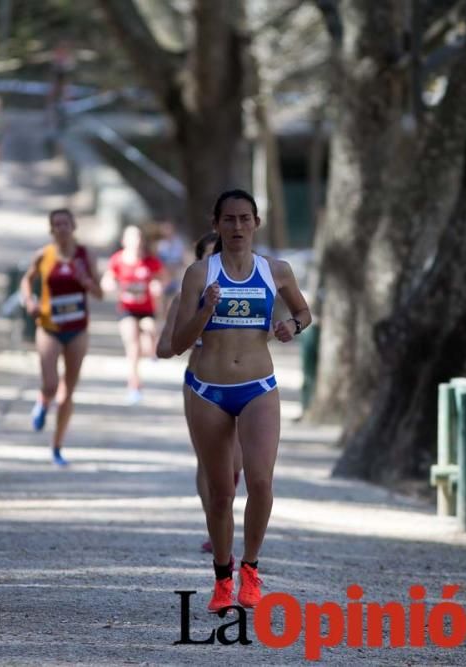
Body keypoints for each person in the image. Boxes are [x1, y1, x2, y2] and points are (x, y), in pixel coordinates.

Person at [172, 189, 311, 613]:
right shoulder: (199, 274)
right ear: (216, 225)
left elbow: (304, 314)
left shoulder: (277, 270)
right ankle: (221, 577)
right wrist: (204, 310)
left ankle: (251, 569)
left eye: (244, 219)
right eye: (228, 220)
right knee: (219, 494)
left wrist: (292, 326)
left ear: (256, 224)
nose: (237, 227)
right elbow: (179, 342)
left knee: (261, 481)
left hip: (258, 387)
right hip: (208, 390)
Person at [156, 232, 242, 554]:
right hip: (199, 383)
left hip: (238, 381)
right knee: (209, 462)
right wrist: (188, 337)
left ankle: (221, 513)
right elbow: (163, 347)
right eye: (206, 259)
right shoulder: (183, 300)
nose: (212, 266)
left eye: (216, 258)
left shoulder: (242, 294)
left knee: (235, 464)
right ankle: (216, 526)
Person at [20, 209, 103, 467]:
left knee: (68, 392)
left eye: (66, 223)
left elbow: (100, 293)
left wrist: (85, 281)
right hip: (49, 326)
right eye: (56, 224)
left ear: (73, 226)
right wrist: (29, 300)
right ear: (51, 229)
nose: (62, 228)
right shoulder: (44, 255)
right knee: (50, 384)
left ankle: (57, 446)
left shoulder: (84, 255)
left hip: (77, 328)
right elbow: (27, 280)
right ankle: (43, 402)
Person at [101, 225, 164, 405]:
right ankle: (134, 386)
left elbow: (163, 278)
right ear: (124, 241)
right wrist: (110, 285)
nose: (135, 242)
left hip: (147, 309)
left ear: (142, 241)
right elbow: (107, 280)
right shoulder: (118, 260)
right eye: (132, 238)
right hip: (127, 309)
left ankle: (152, 350)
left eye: (138, 238)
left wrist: (157, 285)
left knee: (150, 330)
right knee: (132, 346)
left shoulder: (150, 261)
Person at [155, 221, 187, 298]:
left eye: (169, 229)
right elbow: (158, 262)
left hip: (177, 276)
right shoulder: (160, 245)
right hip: (165, 276)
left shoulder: (179, 243)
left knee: (177, 297)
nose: (167, 232)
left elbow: (183, 260)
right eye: (165, 229)